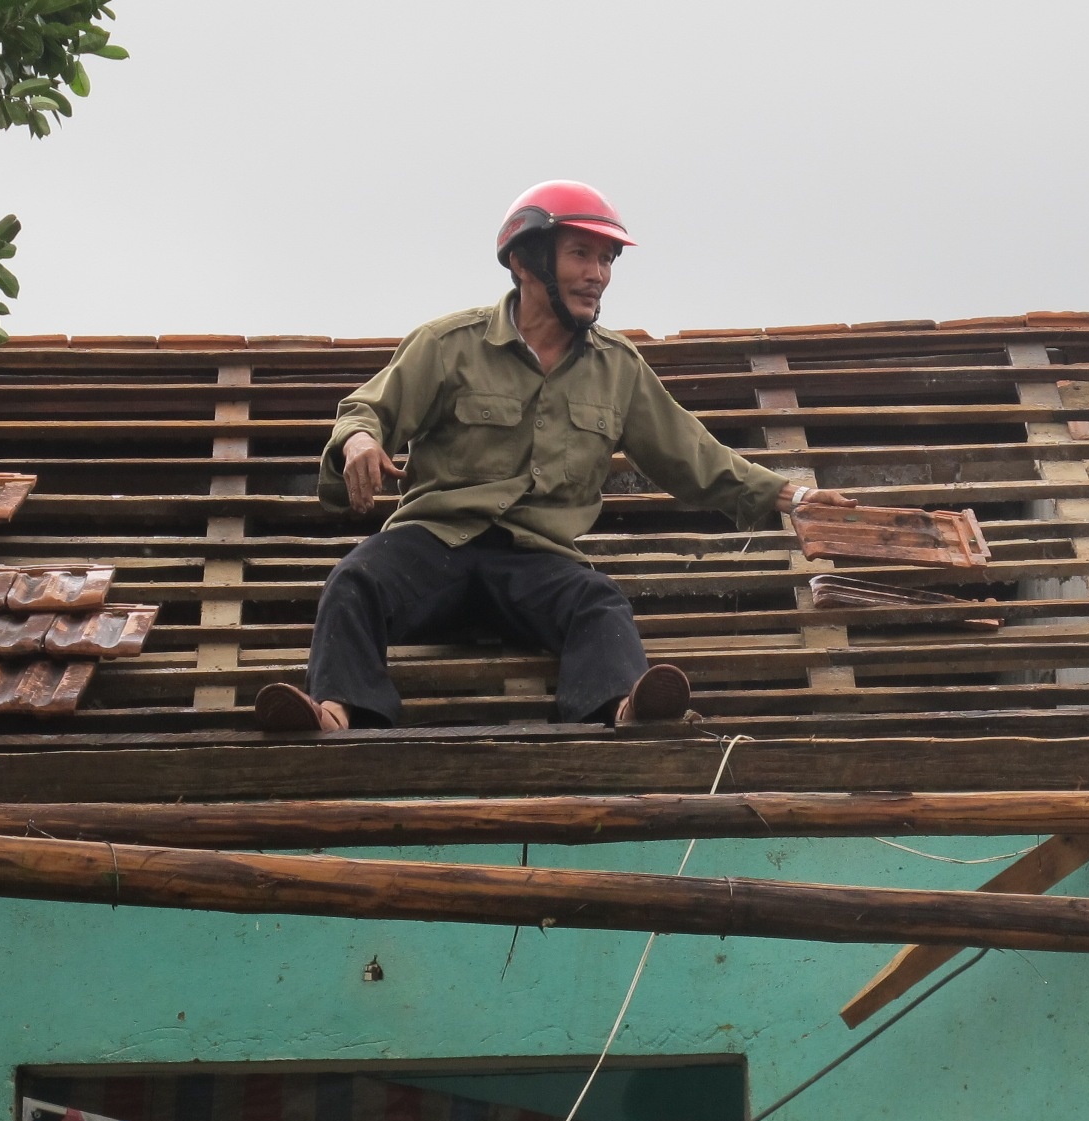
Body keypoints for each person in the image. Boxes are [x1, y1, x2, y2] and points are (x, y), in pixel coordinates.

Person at [253, 181, 851, 732]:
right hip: (436, 546)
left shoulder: (618, 369)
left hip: (536, 563)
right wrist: (359, 441)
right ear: (524, 261)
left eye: (608, 260)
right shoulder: (447, 345)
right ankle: (334, 713)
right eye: (581, 256)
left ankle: (622, 708)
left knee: (598, 601)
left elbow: (695, 457)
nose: (598, 275)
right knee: (355, 579)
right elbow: (367, 411)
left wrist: (795, 499)